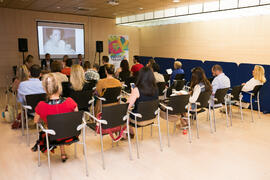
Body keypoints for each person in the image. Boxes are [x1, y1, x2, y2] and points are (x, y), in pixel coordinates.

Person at [33, 73, 78, 162]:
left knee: (51, 129)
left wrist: (45, 118)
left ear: (45, 89)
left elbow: (36, 121)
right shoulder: (70, 101)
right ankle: (63, 153)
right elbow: (76, 117)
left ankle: (44, 148)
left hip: (53, 136)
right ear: (59, 87)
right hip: (70, 134)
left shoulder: (41, 105)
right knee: (61, 125)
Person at [125, 67, 159, 137]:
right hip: (152, 117)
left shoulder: (137, 90)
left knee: (123, 113)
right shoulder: (156, 88)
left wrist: (132, 93)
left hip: (139, 119)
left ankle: (126, 134)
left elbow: (126, 106)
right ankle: (130, 132)